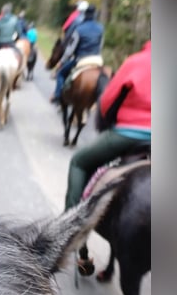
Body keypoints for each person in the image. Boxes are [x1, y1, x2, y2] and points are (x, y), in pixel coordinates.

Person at [64, 40, 152, 270]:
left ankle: (69, 226)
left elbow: (108, 100)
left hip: (129, 133)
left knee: (79, 161)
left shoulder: (136, 61)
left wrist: (108, 120)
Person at [51, 5, 103, 103]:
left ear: (84, 15)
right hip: (97, 59)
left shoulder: (79, 29)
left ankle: (58, 96)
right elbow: (100, 45)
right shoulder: (101, 28)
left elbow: (70, 49)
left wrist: (62, 61)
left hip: (82, 59)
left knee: (60, 73)